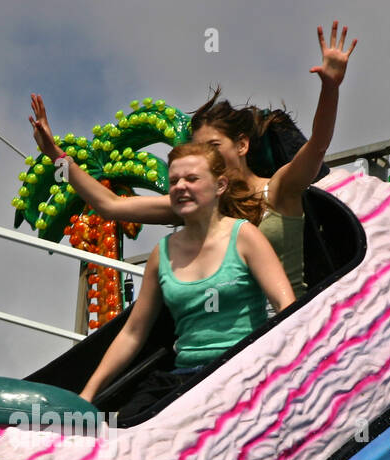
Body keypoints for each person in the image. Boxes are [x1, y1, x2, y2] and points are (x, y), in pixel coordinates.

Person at [31, 22, 357, 299]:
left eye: (215, 145)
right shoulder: (203, 206)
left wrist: (331, 88)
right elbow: (111, 206)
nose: (207, 157)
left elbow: (317, 145)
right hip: (232, 342)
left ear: (242, 145)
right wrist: (57, 156)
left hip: (285, 325)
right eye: (201, 150)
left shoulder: (279, 189)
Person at [78, 143, 295, 421]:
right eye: (174, 181)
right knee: (126, 424)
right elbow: (133, 332)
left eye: (192, 179)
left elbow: (285, 305)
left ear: (219, 186)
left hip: (239, 369)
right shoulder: (162, 253)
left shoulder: (244, 236)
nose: (181, 186)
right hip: (183, 378)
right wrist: (88, 394)